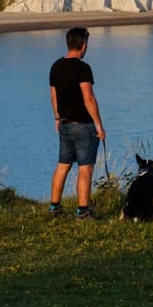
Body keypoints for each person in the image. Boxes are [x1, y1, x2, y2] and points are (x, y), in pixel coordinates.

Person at [48, 27, 106, 219]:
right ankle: (83, 211)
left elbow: (54, 95)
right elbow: (88, 98)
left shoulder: (56, 66)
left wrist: (57, 118)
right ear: (84, 45)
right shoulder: (83, 68)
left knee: (62, 165)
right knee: (85, 167)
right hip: (83, 125)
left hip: (64, 123)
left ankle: (54, 207)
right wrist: (99, 125)